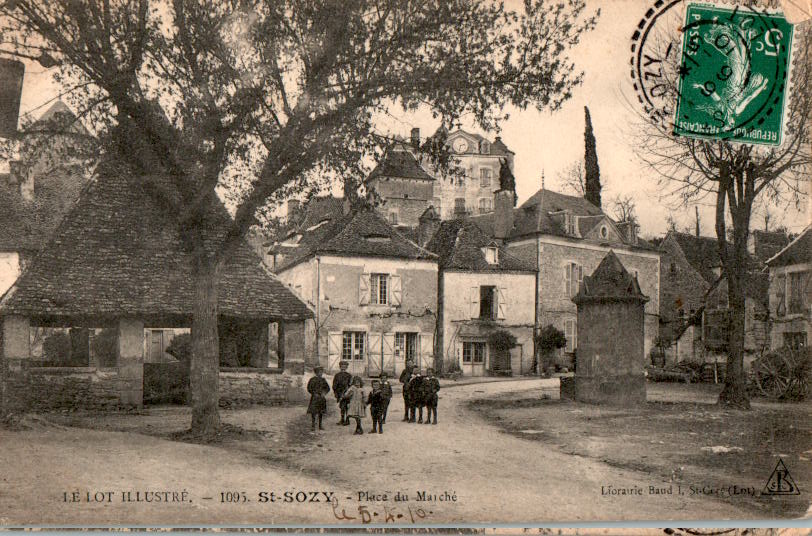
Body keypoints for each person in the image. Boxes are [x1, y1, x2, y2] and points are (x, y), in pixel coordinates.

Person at [306, 366, 330, 432]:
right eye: (319, 372)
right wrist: (314, 393)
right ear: (316, 372)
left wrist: (324, 393)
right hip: (315, 398)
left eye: (321, 372)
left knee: (321, 412)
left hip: (321, 398)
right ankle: (313, 425)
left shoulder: (323, 380)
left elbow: (328, 388)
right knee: (313, 412)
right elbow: (309, 388)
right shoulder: (312, 379)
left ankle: (320, 425)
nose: (320, 373)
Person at [332, 361, 352, 425]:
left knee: (347, 407)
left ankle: (347, 420)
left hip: (347, 393)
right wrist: (336, 393)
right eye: (342, 366)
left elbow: (351, 385)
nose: (343, 367)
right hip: (340, 393)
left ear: (346, 367)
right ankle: (342, 419)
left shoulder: (349, 375)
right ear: (340, 367)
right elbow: (334, 385)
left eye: (345, 366)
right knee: (342, 407)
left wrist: (349, 391)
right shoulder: (337, 375)